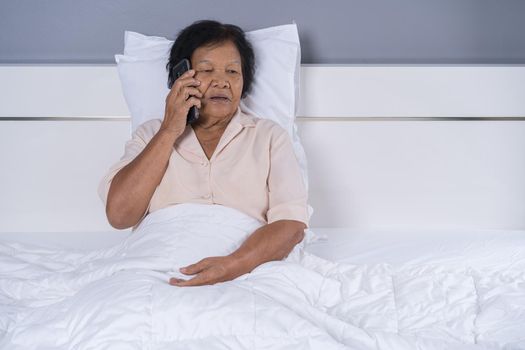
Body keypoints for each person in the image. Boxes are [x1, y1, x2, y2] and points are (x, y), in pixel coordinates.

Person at [98, 20, 309, 287]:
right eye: (206, 70)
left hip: (247, 269)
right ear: (180, 77)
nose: (222, 82)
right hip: (154, 268)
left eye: (233, 71)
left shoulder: (268, 136)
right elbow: (119, 215)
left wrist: (233, 265)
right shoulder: (150, 134)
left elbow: (291, 225)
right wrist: (168, 131)